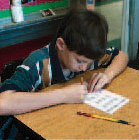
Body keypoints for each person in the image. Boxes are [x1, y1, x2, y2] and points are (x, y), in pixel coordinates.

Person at [0, 9, 128, 138]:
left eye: (89, 63)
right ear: (61, 45)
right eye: (79, 61)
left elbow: (122, 56)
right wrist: (63, 95)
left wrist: (107, 75)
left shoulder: (86, 54)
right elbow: (3, 103)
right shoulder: (38, 63)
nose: (84, 68)